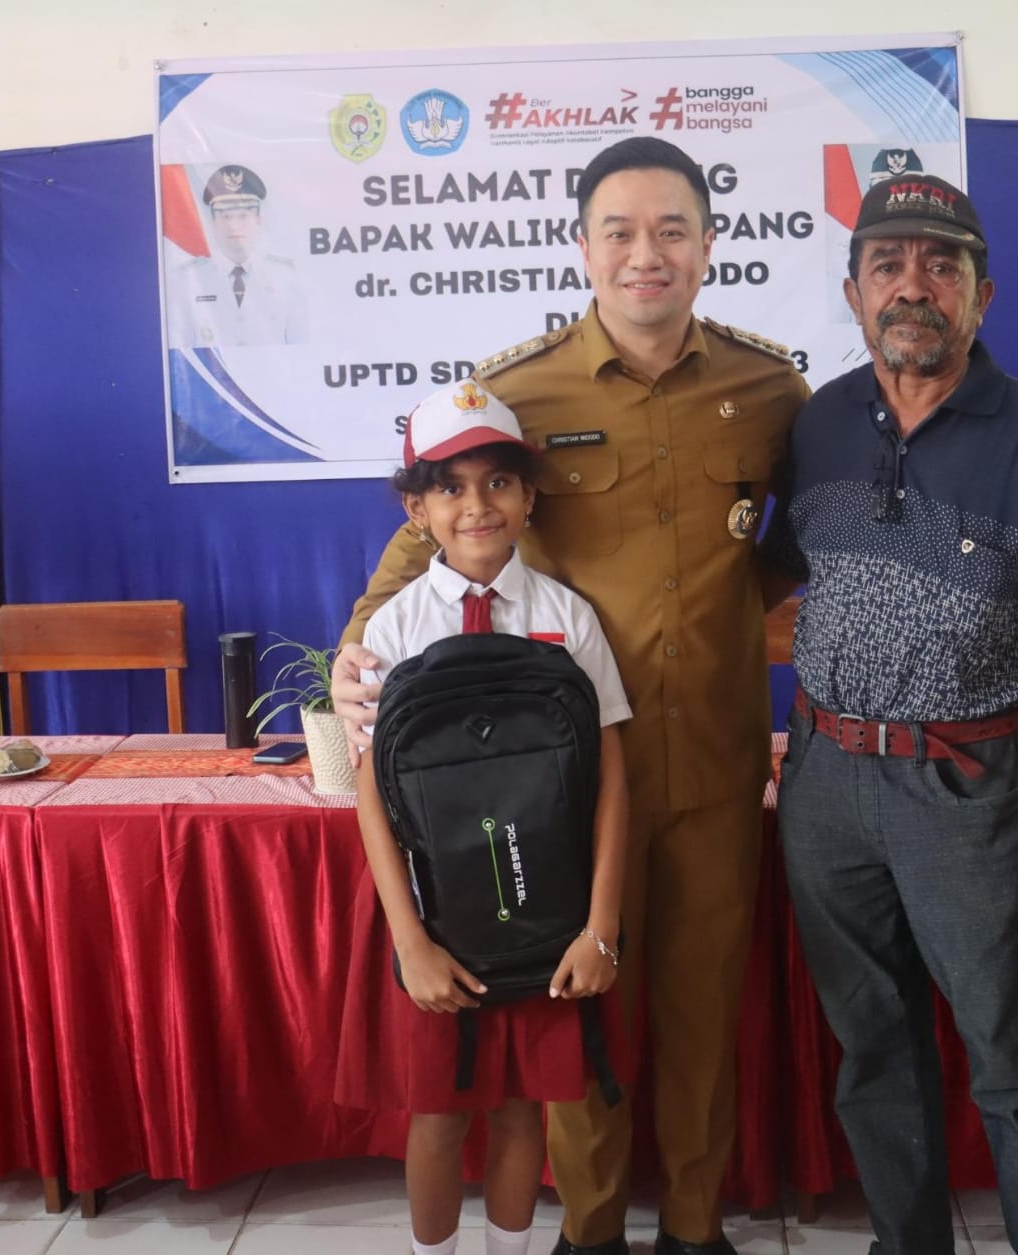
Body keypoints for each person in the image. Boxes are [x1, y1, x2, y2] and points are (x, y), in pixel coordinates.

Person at [333, 136, 810, 1255]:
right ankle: (590, 1231)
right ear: (583, 248)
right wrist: (358, 648)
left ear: (708, 245)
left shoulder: (769, 388)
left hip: (715, 766)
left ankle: (694, 1226)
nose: (647, 255)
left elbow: (793, 542)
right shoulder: (521, 389)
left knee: (703, 1015)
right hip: (567, 785)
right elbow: (431, 537)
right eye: (620, 232)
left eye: (672, 230)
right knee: (581, 1011)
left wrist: (729, 611)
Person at [761, 174, 1018, 1255]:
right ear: (852, 290)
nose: (912, 286)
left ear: (982, 293)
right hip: (826, 785)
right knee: (872, 1047)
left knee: (1008, 1054)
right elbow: (769, 579)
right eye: (888, 264)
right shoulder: (818, 423)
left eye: (940, 265)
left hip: (966, 792)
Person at [354, 379, 632, 1255]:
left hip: (545, 918)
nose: (477, 505)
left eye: (498, 481)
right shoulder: (393, 629)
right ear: (417, 509)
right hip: (442, 921)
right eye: (450, 486)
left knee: (520, 1108)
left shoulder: (566, 617)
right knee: (438, 1114)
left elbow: (612, 779)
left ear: (529, 495)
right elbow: (370, 793)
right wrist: (410, 942)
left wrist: (600, 928)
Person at [166, 163, 308, 347]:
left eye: (243, 216)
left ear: (258, 220)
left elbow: (300, 346)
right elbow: (181, 349)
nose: (234, 226)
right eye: (226, 217)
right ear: (213, 222)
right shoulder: (189, 279)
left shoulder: (285, 277)